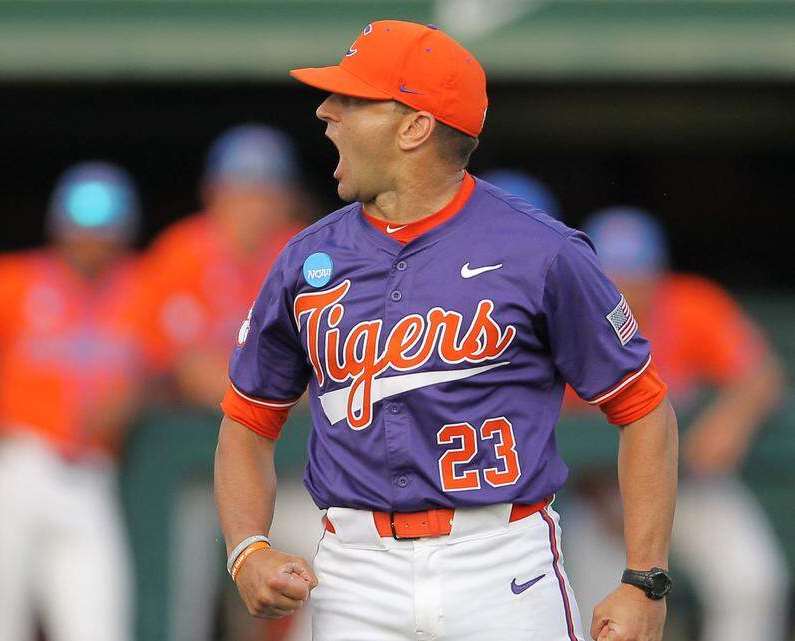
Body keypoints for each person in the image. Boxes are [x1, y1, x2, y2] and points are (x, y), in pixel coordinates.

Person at [214, 20, 679, 641]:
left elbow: (645, 410)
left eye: (352, 100)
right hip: (354, 570)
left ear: (413, 126)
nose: (327, 112)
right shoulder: (306, 260)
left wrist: (645, 579)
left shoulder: (542, 251)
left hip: (501, 563)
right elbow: (247, 420)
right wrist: (247, 546)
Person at [561, 207, 787, 641]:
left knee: (752, 583)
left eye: (639, 275)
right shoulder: (567, 320)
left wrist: (730, 419)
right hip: (602, 497)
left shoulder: (689, 303)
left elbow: (762, 374)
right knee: (601, 611)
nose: (628, 287)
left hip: (691, 486)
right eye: (615, 274)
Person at [0, 162, 143, 641]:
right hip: (14, 465)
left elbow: (176, 361)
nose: (91, 239)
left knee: (100, 626)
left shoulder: (143, 287)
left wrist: (137, 394)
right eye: (80, 227)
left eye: (103, 229)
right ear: (59, 227)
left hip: (90, 476)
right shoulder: (12, 279)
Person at [139, 124, 317, 641]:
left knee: (329, 572)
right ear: (213, 192)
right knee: (183, 594)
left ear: (285, 196)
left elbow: (327, 366)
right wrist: (280, 385)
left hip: (295, 470)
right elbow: (188, 372)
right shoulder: (181, 251)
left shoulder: (307, 252)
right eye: (240, 189)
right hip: (195, 471)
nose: (252, 203)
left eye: (265, 189)